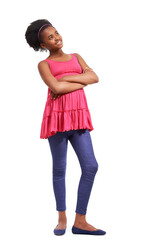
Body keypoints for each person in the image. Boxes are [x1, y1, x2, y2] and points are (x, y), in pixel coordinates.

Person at [25, 19, 106, 236]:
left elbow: (95, 78)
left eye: (56, 33)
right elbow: (56, 86)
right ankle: (62, 218)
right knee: (60, 169)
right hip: (57, 118)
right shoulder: (44, 65)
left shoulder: (77, 57)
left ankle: (80, 220)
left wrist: (68, 77)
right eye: (50, 38)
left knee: (91, 166)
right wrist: (82, 79)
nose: (56, 38)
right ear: (43, 45)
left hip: (79, 118)